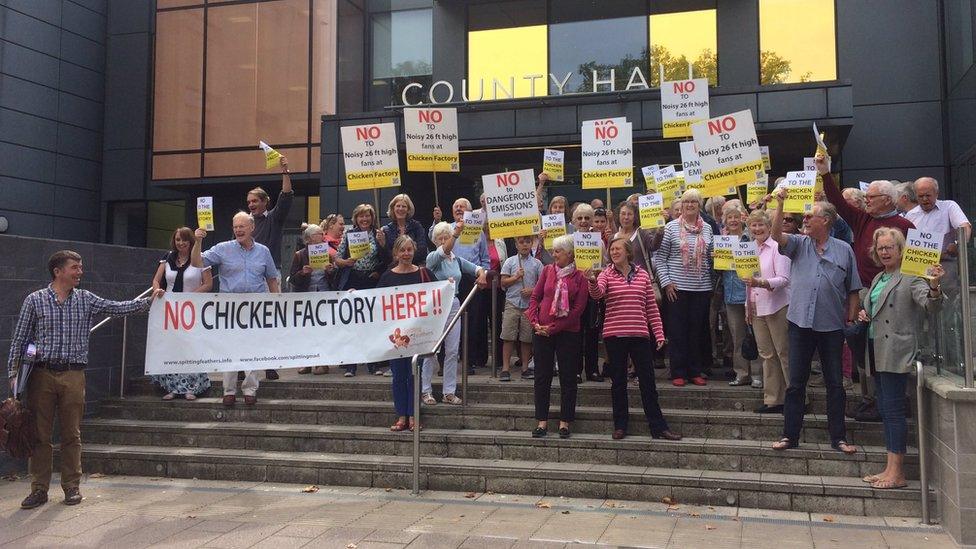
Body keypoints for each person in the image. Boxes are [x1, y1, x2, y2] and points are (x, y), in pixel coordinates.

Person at [8, 251, 163, 509]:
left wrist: (150, 301)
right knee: (40, 435)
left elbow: (117, 307)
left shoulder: (86, 299)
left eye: (80, 267)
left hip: (73, 374)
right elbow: (19, 340)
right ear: (58, 271)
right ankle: (38, 489)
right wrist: (13, 376)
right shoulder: (34, 301)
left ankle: (71, 487)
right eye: (75, 268)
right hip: (40, 375)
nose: (80, 272)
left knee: (72, 433)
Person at [817, 155, 915, 421]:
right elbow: (837, 203)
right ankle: (869, 399)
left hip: (895, 293)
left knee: (892, 345)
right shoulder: (862, 220)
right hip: (865, 292)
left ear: (887, 199)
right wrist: (825, 174)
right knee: (863, 345)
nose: (866, 200)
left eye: (871, 197)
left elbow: (918, 264)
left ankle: (898, 399)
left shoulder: (907, 227)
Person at [768, 191, 861, 455]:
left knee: (835, 384)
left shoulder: (844, 250)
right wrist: (780, 204)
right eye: (805, 216)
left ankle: (838, 438)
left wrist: (851, 321)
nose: (805, 219)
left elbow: (853, 289)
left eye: (811, 216)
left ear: (827, 221)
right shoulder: (798, 243)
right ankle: (789, 435)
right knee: (796, 383)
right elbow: (776, 236)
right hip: (800, 324)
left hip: (832, 326)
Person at [858, 228, 944, 489]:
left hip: (897, 351)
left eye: (889, 248)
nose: (884, 252)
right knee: (885, 409)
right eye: (880, 248)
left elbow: (931, 305)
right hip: (876, 350)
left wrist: (934, 285)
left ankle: (897, 473)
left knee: (894, 411)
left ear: (901, 250)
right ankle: (889, 468)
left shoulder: (911, 277)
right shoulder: (879, 278)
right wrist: (866, 314)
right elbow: (878, 309)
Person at [587, 238, 681, 441]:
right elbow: (597, 294)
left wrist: (658, 333)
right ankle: (620, 425)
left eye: (617, 248)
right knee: (618, 382)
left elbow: (651, 308)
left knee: (648, 383)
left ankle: (658, 427)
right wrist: (592, 281)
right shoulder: (606, 274)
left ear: (628, 252)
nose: (613, 252)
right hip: (615, 335)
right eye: (611, 249)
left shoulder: (643, 274)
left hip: (639, 335)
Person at [193, 212, 281, 406]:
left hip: (256, 307)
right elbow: (197, 263)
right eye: (235, 227)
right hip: (230, 308)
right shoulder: (223, 249)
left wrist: (276, 303)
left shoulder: (264, 251)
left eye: (242, 226)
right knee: (230, 348)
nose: (238, 230)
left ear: (252, 228)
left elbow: (272, 279)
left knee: (252, 348)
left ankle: (250, 389)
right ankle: (229, 391)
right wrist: (198, 241)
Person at [527, 235, 588, 438]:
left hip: (567, 332)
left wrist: (553, 328)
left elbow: (578, 310)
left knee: (568, 377)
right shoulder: (547, 270)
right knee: (542, 376)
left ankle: (565, 422)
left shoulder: (580, 276)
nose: (554, 255)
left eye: (558, 252)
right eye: (553, 251)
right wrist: (534, 321)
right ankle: (541, 421)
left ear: (569, 254)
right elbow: (536, 296)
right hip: (542, 330)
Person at [653, 189, 714, 387]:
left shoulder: (708, 229)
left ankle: (695, 370)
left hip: (701, 287)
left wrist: (716, 256)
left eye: (694, 202)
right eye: (686, 202)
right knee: (677, 331)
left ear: (699, 206)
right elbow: (660, 259)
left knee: (696, 331)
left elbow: (711, 255)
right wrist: (666, 283)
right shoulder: (670, 228)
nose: (689, 205)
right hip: (676, 288)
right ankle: (678, 371)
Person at [377, 235, 436, 431]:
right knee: (398, 376)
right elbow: (375, 302)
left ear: (414, 251)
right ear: (396, 253)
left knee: (414, 375)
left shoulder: (424, 273)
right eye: (402, 250)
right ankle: (401, 416)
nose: (406, 254)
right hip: (394, 336)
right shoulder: (387, 277)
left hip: (416, 335)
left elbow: (438, 293)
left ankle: (413, 417)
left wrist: (450, 283)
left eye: (409, 250)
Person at [426, 222, 488, 405]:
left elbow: (476, 267)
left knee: (453, 350)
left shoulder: (457, 259)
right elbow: (444, 250)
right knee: (431, 349)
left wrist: (482, 274)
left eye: (447, 237)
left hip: (454, 304)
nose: (444, 241)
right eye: (440, 238)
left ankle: (449, 391)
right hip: (435, 305)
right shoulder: (433, 258)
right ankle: (425, 390)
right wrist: (455, 234)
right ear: (435, 241)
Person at [150, 227, 213, 399]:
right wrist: (157, 291)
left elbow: (208, 284)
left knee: (191, 347)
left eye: (184, 239)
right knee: (172, 347)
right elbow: (156, 280)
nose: (181, 243)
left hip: (191, 310)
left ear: (191, 241)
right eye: (178, 240)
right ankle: (172, 387)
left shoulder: (200, 258)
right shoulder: (167, 258)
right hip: (170, 310)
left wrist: (191, 296)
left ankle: (191, 387)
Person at [247, 155, 292, 381]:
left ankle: (270, 364)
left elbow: (286, 197)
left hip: (270, 277)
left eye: (255, 201)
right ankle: (240, 365)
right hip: (247, 279)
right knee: (246, 322)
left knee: (269, 321)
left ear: (265, 201)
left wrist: (284, 171)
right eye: (249, 203)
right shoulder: (245, 225)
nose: (251, 205)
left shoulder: (274, 219)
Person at [431, 199, 490, 372]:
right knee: (445, 323)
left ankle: (468, 361)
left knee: (470, 323)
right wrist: (437, 221)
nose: (458, 208)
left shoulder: (477, 230)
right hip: (448, 280)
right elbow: (433, 240)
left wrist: (482, 274)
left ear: (470, 211)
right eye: (455, 206)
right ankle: (443, 364)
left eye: (462, 206)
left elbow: (484, 260)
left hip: (471, 280)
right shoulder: (446, 229)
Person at [742, 211, 792, 413]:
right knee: (767, 354)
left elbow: (784, 279)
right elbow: (747, 282)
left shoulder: (778, 247)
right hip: (757, 308)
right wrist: (747, 305)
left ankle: (796, 397)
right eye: (753, 225)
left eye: (760, 225)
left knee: (784, 353)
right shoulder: (749, 248)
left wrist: (761, 282)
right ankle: (773, 399)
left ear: (769, 225)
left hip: (778, 306)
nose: (757, 229)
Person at [336, 203, 391, 376]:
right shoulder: (349, 234)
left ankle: (372, 364)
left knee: (372, 324)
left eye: (368, 216)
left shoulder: (379, 234)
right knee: (353, 322)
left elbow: (388, 259)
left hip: (372, 280)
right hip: (353, 278)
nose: (364, 219)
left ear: (372, 218)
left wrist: (383, 245)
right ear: (356, 218)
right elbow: (337, 257)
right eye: (361, 216)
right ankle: (351, 364)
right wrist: (345, 262)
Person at [906, 177, 972, 298]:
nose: (925, 199)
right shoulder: (910, 215)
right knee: (922, 301)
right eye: (921, 196)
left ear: (936, 193)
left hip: (944, 264)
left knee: (947, 303)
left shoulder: (949, 207)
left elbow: (965, 227)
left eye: (928, 195)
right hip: (918, 266)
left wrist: (958, 244)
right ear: (916, 196)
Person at [289, 224, 336, 376]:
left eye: (321, 242)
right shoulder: (299, 255)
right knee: (307, 331)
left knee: (323, 330)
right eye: (316, 243)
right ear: (308, 242)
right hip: (306, 297)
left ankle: (322, 362)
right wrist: (302, 273)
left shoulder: (327, 255)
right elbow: (293, 280)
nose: (319, 245)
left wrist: (330, 271)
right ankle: (307, 362)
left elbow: (334, 280)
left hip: (323, 295)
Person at [721, 206, 758, 387]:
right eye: (730, 218)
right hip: (731, 294)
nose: (733, 220)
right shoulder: (721, 241)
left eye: (736, 217)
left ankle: (758, 374)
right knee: (738, 337)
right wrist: (715, 258)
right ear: (725, 221)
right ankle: (742, 373)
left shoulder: (751, 238)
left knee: (757, 335)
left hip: (752, 293)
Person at [499, 236, 543, 381]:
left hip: (529, 305)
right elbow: (503, 282)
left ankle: (525, 367)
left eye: (527, 242)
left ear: (532, 244)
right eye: (521, 242)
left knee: (526, 338)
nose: (525, 245)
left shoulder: (537, 264)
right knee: (508, 336)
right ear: (516, 245)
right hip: (512, 303)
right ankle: (506, 368)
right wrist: (516, 277)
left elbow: (542, 286)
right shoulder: (510, 261)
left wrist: (532, 290)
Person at [571, 204, 605, 382]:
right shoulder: (568, 241)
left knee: (592, 333)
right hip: (573, 294)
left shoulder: (598, 242)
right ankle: (575, 370)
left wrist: (598, 273)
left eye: (587, 218)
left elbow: (606, 265)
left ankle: (592, 370)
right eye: (580, 218)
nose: (583, 221)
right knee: (574, 333)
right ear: (574, 221)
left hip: (592, 293)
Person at [381, 194, 428, 265]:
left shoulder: (416, 227)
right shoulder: (386, 230)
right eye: (398, 206)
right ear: (393, 208)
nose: (400, 209)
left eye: (404, 206)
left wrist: (401, 259)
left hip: (414, 267)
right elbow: (386, 258)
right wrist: (383, 244)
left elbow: (422, 251)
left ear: (408, 210)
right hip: (394, 270)